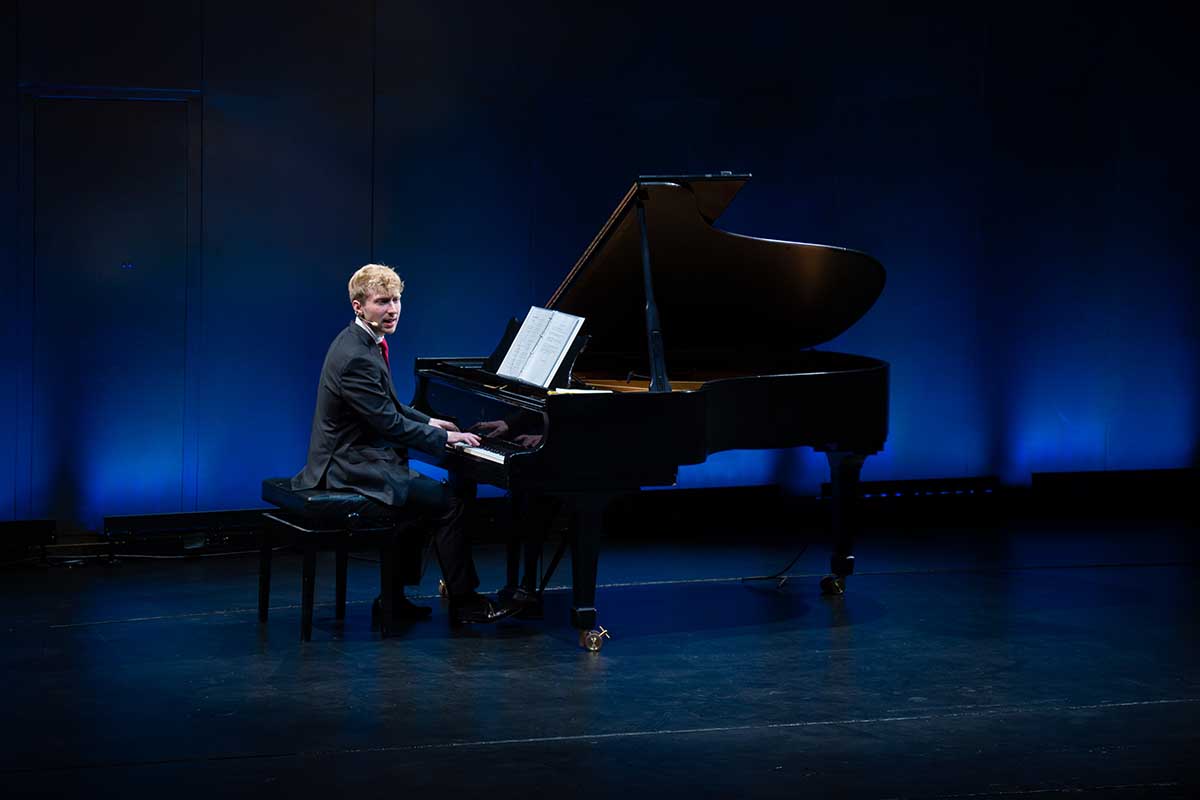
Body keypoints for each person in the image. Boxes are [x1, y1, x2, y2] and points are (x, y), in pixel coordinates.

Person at [291, 263, 517, 625]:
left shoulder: (362, 341)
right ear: (358, 306)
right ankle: (466, 603)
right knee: (449, 503)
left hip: (358, 455)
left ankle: (392, 600)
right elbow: (388, 423)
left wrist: (429, 421)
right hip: (347, 465)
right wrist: (445, 437)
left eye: (396, 300)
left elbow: (388, 405)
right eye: (382, 302)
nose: (392, 309)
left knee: (423, 500)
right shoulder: (357, 356)